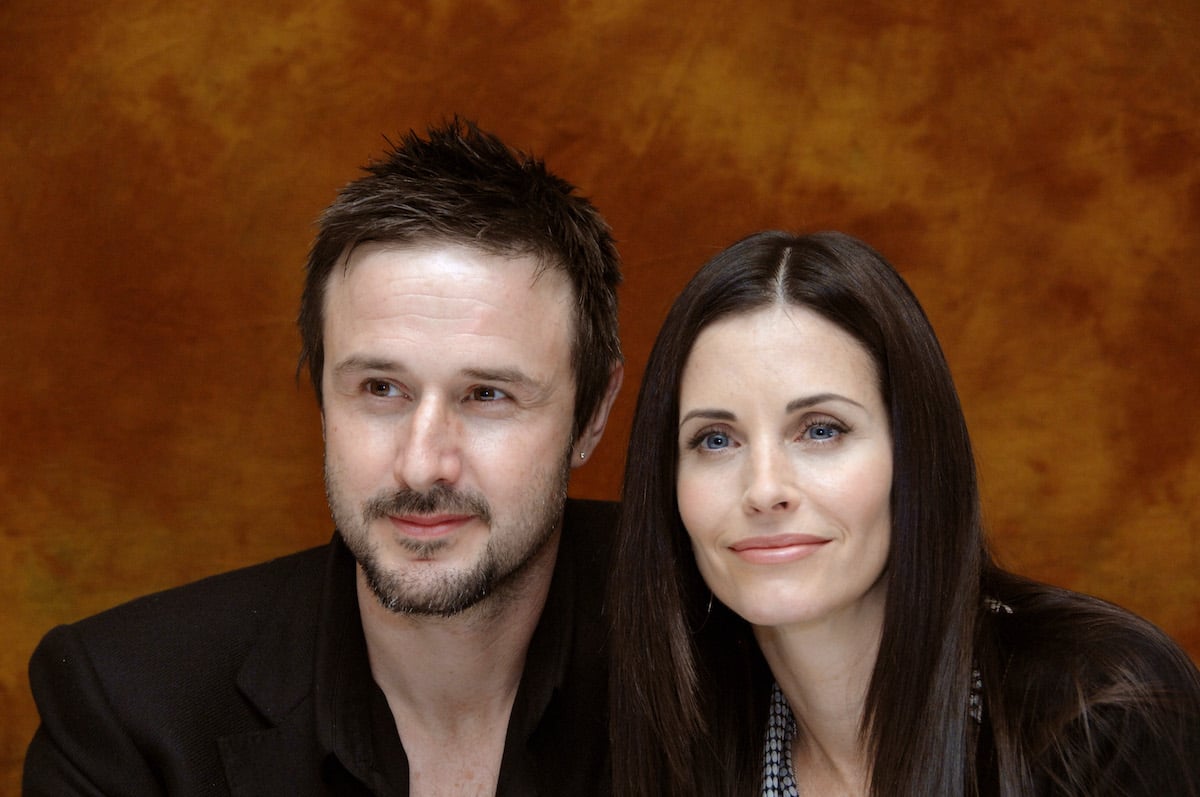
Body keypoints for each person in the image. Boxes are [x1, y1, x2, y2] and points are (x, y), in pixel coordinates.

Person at [25, 118, 624, 796]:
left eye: (487, 394)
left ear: (592, 414)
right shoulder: (126, 709)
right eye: (381, 389)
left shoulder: (719, 636)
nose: (423, 465)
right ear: (322, 396)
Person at [609, 230, 1200, 796]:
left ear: (913, 452)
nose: (764, 490)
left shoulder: (1097, 708)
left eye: (820, 430)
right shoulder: (677, 740)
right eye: (715, 440)